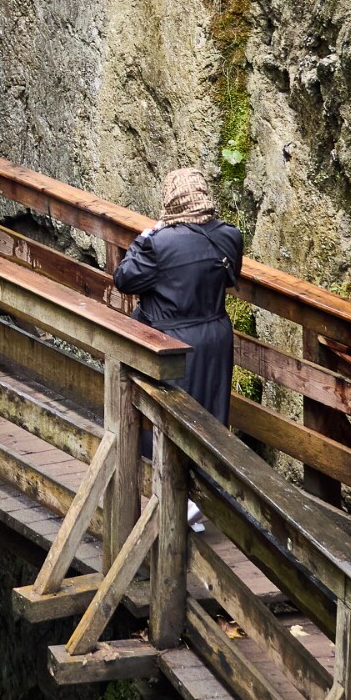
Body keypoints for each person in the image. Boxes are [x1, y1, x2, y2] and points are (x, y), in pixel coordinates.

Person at [114, 167, 244, 529]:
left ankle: (175, 501)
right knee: (209, 415)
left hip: (169, 340)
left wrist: (143, 237)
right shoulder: (229, 235)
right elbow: (231, 277)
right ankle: (199, 496)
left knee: (166, 416)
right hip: (215, 335)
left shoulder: (159, 243)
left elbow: (125, 279)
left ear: (171, 200)